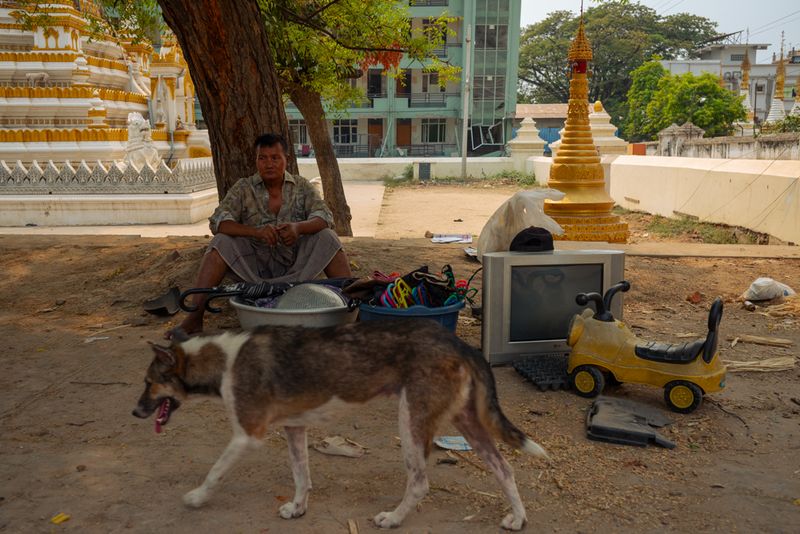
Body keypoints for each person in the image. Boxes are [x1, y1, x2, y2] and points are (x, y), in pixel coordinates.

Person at [167, 132, 352, 337]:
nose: (269, 164)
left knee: (328, 237)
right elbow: (218, 222)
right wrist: (255, 232)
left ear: (286, 160)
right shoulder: (244, 188)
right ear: (256, 161)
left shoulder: (302, 186)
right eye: (262, 158)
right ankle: (194, 319)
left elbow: (325, 217)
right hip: (253, 271)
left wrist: (298, 228)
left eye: (275, 158)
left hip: (298, 270)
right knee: (221, 242)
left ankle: (353, 310)